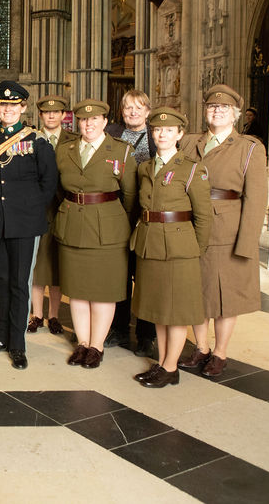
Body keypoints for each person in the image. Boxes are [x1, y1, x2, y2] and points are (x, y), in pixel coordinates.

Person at [179, 85, 267, 378]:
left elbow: (255, 199)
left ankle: (220, 352)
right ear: (205, 112)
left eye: (224, 108)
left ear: (236, 115)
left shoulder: (249, 148)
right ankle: (201, 347)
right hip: (191, 225)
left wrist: (247, 243)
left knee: (225, 296)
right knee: (196, 290)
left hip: (226, 230)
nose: (217, 111)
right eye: (212, 107)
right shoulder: (189, 142)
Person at [0, 82, 58, 370]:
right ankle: (1, 336)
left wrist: (29, 210)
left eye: (13, 106)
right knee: (1, 280)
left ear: (23, 108)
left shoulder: (37, 141)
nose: (7, 110)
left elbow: (49, 184)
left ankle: (17, 345)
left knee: (20, 284)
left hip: (25, 223)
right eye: (2, 105)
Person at [130, 107, 211, 388]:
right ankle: (165, 363)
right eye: (157, 130)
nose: (161, 134)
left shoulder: (191, 169)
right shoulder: (145, 167)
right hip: (150, 244)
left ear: (180, 134)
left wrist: (193, 249)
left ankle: (170, 365)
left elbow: (204, 216)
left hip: (179, 249)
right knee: (159, 310)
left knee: (175, 312)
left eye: (168, 130)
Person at [54, 99, 138, 370]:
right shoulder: (65, 150)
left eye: (94, 119)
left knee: (103, 291)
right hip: (73, 225)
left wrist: (113, 220)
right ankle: (82, 342)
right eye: (83, 120)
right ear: (78, 122)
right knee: (77, 290)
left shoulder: (122, 151)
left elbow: (130, 196)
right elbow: (58, 190)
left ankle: (97, 345)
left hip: (108, 230)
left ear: (105, 121)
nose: (88, 124)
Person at [105, 89, 157, 357]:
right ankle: (119, 328)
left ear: (148, 111)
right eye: (128, 108)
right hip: (118, 212)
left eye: (138, 108)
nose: (133, 112)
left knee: (146, 275)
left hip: (147, 213)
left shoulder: (158, 136)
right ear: (121, 111)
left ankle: (147, 334)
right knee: (119, 273)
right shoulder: (112, 133)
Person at [29, 94, 77, 335]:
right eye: (47, 112)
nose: (51, 116)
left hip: (63, 206)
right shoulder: (31, 138)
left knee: (56, 264)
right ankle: (36, 314)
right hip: (38, 206)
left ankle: (54, 315)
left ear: (63, 115)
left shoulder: (73, 140)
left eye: (56, 112)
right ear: (40, 115)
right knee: (38, 263)